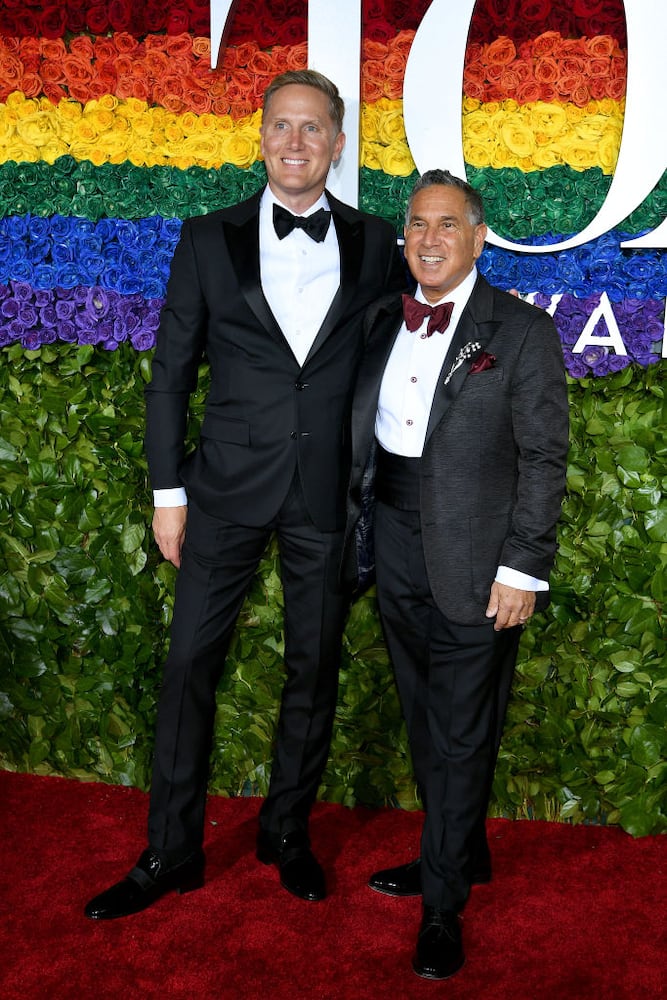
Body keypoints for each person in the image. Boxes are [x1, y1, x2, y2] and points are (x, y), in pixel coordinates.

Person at [84, 69, 406, 920]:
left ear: (338, 146)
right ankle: (170, 851)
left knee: (314, 666)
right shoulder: (205, 238)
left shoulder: (377, 243)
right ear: (260, 138)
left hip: (324, 495)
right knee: (190, 663)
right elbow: (169, 376)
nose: (295, 142)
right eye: (281, 126)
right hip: (221, 488)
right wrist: (167, 492)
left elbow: (402, 357)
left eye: (313, 128)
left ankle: (286, 833)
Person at [345, 169, 569, 979]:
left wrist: (522, 568)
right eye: (415, 225)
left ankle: (442, 903)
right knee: (422, 714)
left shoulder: (519, 330)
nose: (428, 240)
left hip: (480, 559)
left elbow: (544, 458)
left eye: (445, 225)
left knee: (464, 728)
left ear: (478, 237)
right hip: (395, 541)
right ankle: (460, 851)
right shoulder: (382, 320)